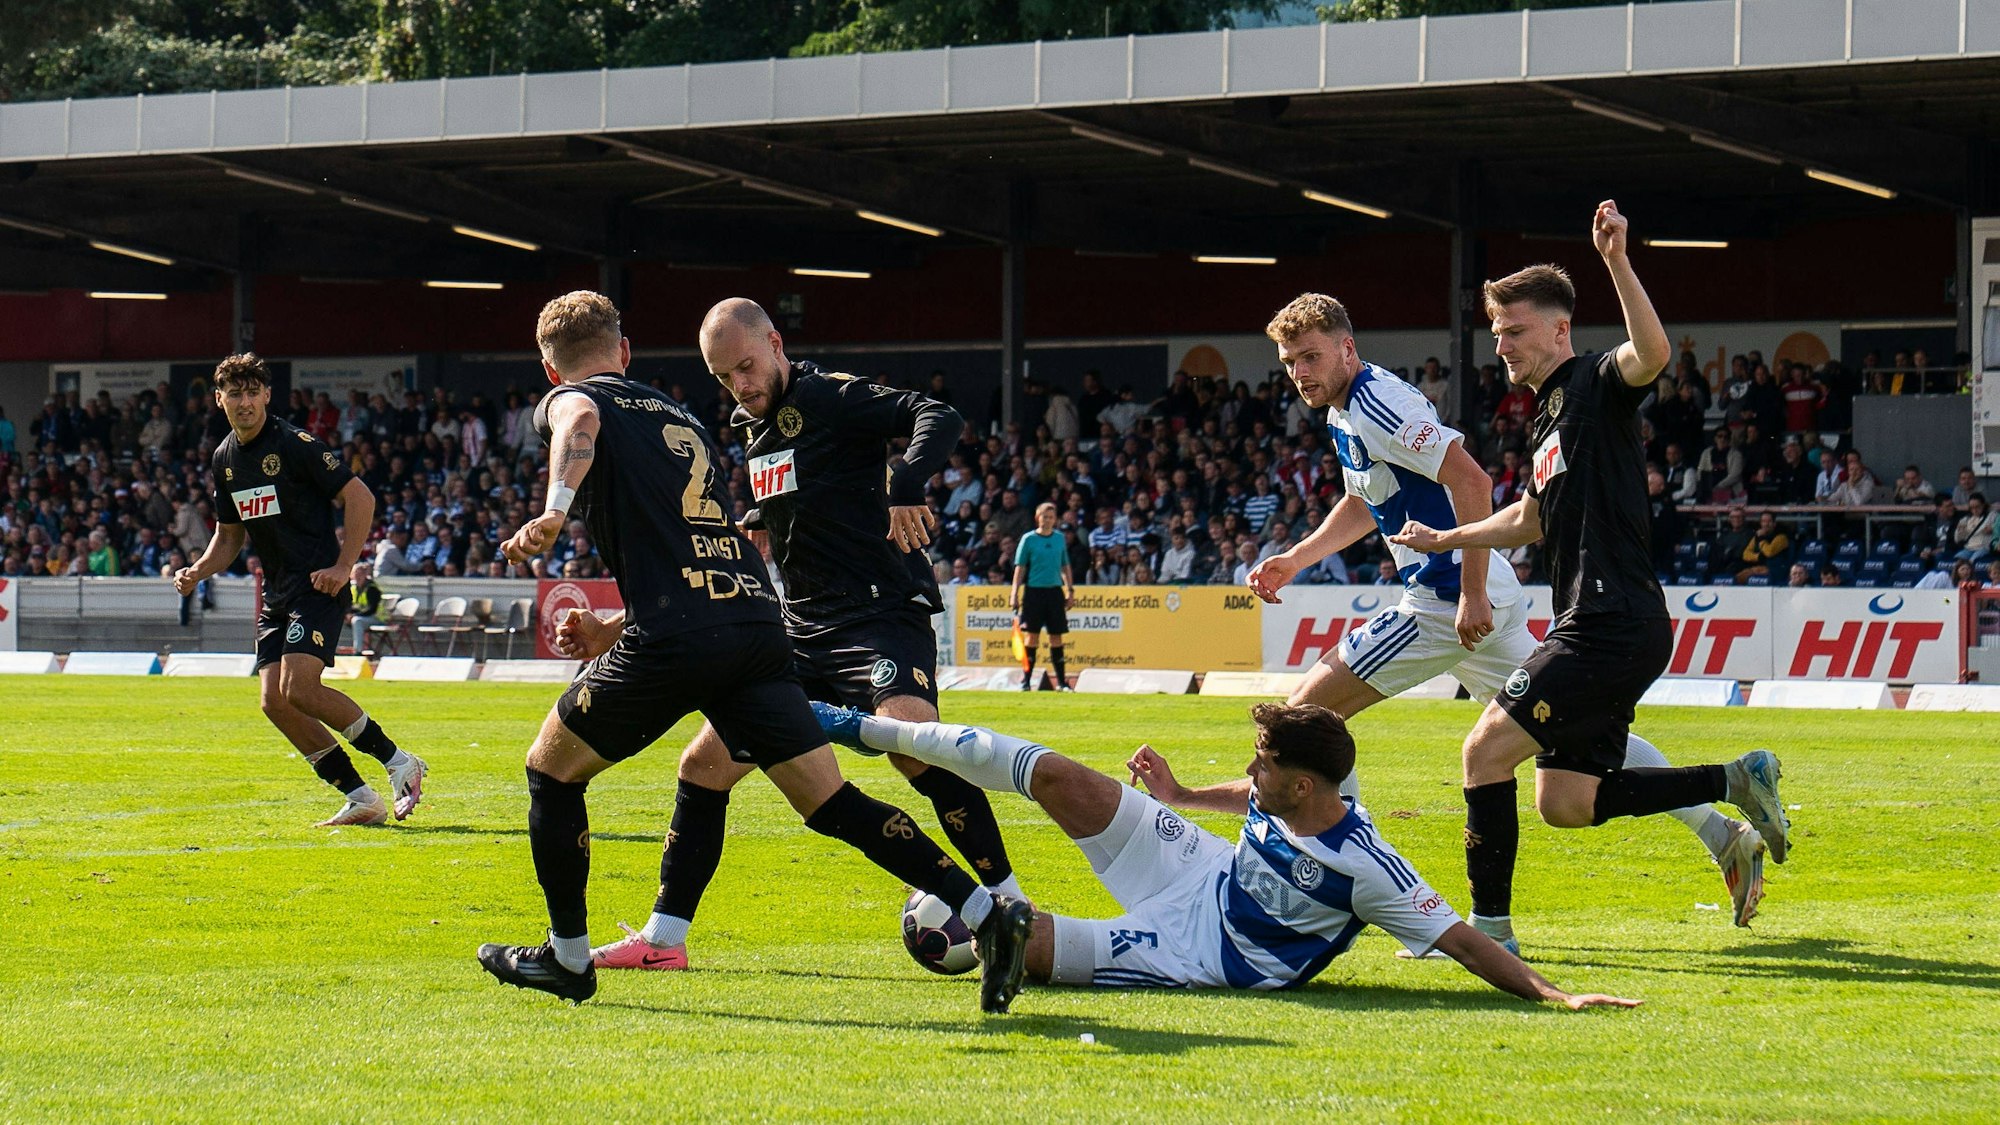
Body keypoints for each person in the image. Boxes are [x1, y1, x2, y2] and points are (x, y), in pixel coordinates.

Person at [1247, 291, 1763, 927]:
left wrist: (1469, 592)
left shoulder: (1380, 403)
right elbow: (1364, 501)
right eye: (1290, 361)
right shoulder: (1343, 410)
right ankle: (1724, 835)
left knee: (1303, 717)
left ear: (1347, 348)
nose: (1300, 372)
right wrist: (1297, 557)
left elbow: (1471, 482)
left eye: (1311, 356)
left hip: (1443, 600)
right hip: (1478, 600)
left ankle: (1352, 876)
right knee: (1572, 732)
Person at [576, 296, 1028, 989]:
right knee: (705, 765)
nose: (741, 386)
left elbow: (938, 414)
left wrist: (904, 482)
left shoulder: (830, 396)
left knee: (913, 741)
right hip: (798, 630)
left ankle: (1011, 901)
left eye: (748, 367)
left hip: (878, 614)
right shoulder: (752, 430)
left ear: (777, 344)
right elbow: (776, 520)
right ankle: (665, 937)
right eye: (725, 378)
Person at [1389, 202, 1791, 951]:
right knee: (1566, 802)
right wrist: (1449, 533)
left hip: (1609, 621)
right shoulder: (1545, 414)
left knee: (1483, 753)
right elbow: (1531, 519)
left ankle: (1491, 931)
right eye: (1498, 331)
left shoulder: (1596, 381)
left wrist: (1615, 260)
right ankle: (1734, 781)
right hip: (1602, 622)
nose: (1502, 344)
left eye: (1515, 330)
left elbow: (1654, 352)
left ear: (1558, 330)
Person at [813, 700, 1638, 1009]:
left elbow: (1460, 937)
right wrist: (1177, 797)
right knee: (1062, 777)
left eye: (1267, 761)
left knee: (1022, 941)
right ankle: (858, 727)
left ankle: (989, 935)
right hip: (1200, 868)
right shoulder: (1291, 795)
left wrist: (1555, 994)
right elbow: (1251, 800)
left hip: (1209, 952)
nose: (1251, 768)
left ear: (1309, 787)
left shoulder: (1368, 865)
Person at [170, 354, 424, 827]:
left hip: (317, 586)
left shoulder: (294, 444)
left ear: (267, 395)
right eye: (235, 393)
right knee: (274, 702)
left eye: (253, 392)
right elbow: (229, 537)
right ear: (219, 398)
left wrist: (344, 565)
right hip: (279, 595)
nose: (244, 402)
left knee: (300, 688)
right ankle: (360, 796)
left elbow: (360, 496)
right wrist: (197, 571)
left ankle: (397, 761)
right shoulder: (224, 459)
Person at [1012, 501, 1076, 691]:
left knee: (1056, 637)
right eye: (1044, 516)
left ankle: (1062, 683)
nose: (1047, 520)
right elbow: (1020, 568)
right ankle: (1026, 681)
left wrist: (1069, 590)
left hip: (1054, 592)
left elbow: (1065, 565)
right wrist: (1014, 593)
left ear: (1055, 520)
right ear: (1037, 518)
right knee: (1031, 637)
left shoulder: (1059, 539)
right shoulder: (1029, 539)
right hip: (1034, 592)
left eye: (1051, 517)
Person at [346, 561, 384, 654]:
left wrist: (354, 615)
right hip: (362, 616)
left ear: (365, 574)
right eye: (355, 574)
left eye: (360, 574)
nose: (357, 576)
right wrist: (347, 614)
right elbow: (350, 605)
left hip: (377, 618)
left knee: (357, 621)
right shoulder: (353, 588)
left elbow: (372, 609)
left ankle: (357, 651)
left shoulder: (371, 589)